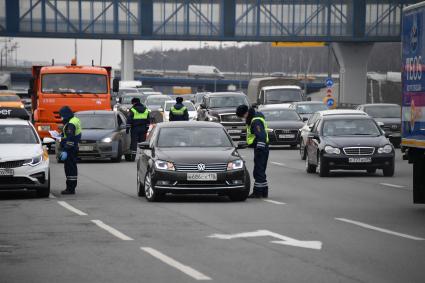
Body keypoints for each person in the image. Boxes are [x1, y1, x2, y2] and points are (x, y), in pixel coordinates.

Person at [236, 105, 270, 198]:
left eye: (242, 117)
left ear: (246, 113)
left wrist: (259, 148)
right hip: (260, 148)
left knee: (258, 171)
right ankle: (264, 191)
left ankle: (258, 192)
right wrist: (248, 144)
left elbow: (261, 136)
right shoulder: (254, 118)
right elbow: (253, 136)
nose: (243, 119)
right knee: (260, 171)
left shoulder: (256, 121)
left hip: (261, 149)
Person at [58, 106, 82, 195]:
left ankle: (70, 189)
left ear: (65, 114)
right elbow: (69, 135)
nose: (61, 118)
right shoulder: (74, 120)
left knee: (70, 169)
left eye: (62, 116)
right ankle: (71, 188)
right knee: (72, 168)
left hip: (70, 150)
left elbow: (70, 139)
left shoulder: (71, 124)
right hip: (73, 148)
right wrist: (61, 135)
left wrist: (65, 150)